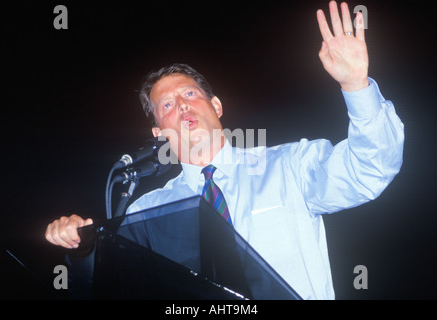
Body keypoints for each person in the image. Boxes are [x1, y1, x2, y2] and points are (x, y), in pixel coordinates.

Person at [45, 1, 404, 299]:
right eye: (167, 105)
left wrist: (355, 84)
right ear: (158, 133)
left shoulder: (289, 166)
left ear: (216, 106)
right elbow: (113, 289)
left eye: (189, 94)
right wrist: (83, 249)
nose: (182, 106)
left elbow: (370, 170)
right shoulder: (147, 212)